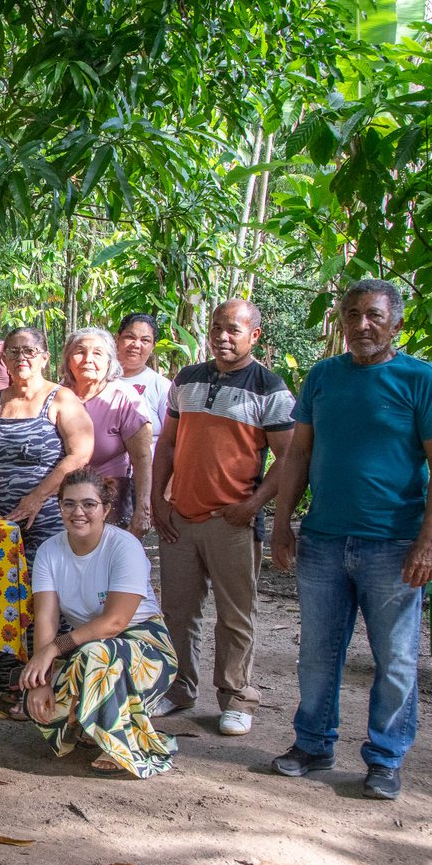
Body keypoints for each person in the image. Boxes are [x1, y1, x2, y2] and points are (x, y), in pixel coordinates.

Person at [270, 280, 432, 800]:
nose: (361, 324)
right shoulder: (324, 377)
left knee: (394, 658)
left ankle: (385, 758)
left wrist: (430, 539)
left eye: (373, 315)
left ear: (396, 322)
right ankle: (312, 744)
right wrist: (283, 523)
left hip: (393, 544)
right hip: (324, 539)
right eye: (351, 314)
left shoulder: (421, 380)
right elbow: (298, 457)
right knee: (317, 653)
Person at [149, 300, 294, 736]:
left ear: (255, 336)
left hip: (232, 520)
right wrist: (158, 498)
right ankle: (179, 688)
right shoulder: (188, 379)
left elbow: (289, 458)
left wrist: (253, 505)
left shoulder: (270, 388)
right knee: (178, 609)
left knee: (235, 615)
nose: (222, 336)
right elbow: (169, 445)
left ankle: (236, 697)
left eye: (233, 329)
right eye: (216, 328)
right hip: (181, 518)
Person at [17, 469, 179, 777]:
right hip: (87, 647)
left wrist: (53, 650)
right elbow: (46, 618)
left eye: (89, 504)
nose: (78, 512)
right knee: (39, 706)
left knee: (99, 656)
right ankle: (91, 722)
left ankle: (120, 745)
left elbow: (114, 622)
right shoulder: (50, 551)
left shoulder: (124, 546)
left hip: (146, 648)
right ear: (59, 508)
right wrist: (42, 680)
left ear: (105, 509)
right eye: (68, 504)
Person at [0, 326, 93, 692]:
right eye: (13, 351)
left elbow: (81, 453)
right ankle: (8, 673)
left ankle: (54, 675)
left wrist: (38, 496)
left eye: (30, 351)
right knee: (4, 590)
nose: (21, 357)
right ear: (2, 358)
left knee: (48, 592)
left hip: (49, 516)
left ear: (43, 356)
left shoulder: (61, 398)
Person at [60, 327, 152, 533]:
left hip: (110, 500)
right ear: (67, 359)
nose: (88, 359)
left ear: (110, 362)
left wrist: (142, 510)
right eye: (80, 351)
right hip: (64, 500)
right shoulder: (57, 395)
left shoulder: (124, 398)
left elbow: (143, 458)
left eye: (97, 353)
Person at [113, 312, 172, 440]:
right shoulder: (98, 379)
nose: (136, 345)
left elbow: (171, 438)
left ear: (153, 347)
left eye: (145, 340)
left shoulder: (161, 386)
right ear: (117, 339)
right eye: (130, 337)